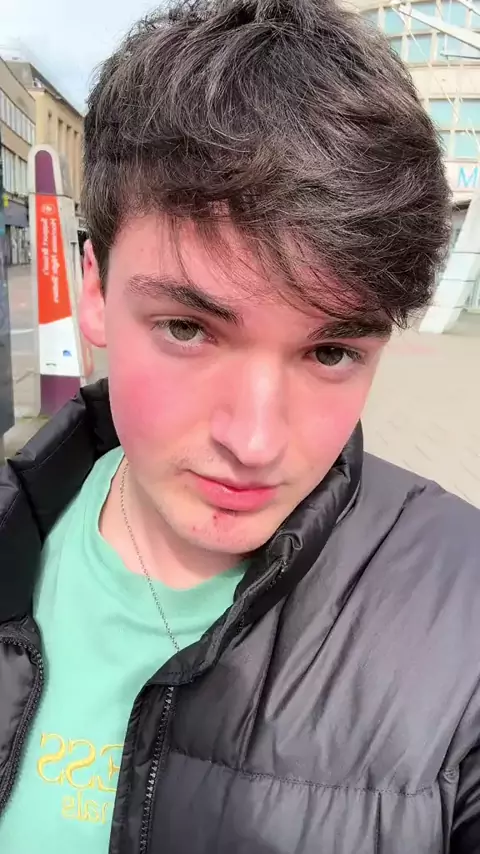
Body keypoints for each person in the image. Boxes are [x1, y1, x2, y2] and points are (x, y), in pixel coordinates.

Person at [0, 0, 478, 851]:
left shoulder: (463, 616)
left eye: (330, 351)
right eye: (188, 329)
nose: (254, 442)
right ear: (95, 289)